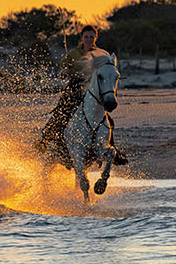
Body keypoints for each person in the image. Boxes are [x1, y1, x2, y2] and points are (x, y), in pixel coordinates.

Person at [36, 26, 125, 166]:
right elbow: (63, 68)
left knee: (108, 120)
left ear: (95, 38)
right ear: (82, 38)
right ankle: (45, 140)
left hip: (94, 91)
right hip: (75, 88)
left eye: (91, 37)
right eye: (86, 37)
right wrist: (66, 70)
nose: (89, 39)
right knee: (61, 112)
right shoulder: (73, 53)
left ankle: (114, 150)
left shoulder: (102, 54)